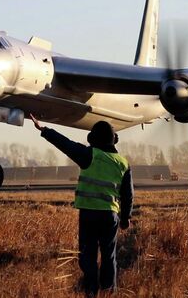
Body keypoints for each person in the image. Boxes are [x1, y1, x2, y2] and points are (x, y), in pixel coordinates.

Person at [30, 115, 133, 296]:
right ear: (113, 140)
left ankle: (91, 291)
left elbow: (65, 144)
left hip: (89, 214)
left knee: (88, 255)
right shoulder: (123, 163)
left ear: (93, 138)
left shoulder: (89, 155)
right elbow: (128, 195)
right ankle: (109, 292)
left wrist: (44, 130)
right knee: (109, 256)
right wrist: (126, 218)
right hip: (110, 216)